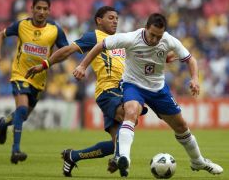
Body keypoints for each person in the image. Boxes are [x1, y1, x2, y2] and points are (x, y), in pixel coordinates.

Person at [72, 13, 224, 177]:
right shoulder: (130, 38)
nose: (154, 40)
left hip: (158, 89)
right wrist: (82, 66)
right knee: (130, 112)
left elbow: (190, 59)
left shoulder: (168, 40)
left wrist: (195, 79)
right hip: (133, 85)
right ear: (146, 28)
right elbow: (101, 45)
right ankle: (124, 158)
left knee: (181, 127)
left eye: (158, 36)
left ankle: (198, 161)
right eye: (152, 35)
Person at [25, 6, 147, 176]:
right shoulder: (94, 37)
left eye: (116, 18)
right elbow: (67, 50)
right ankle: (119, 159)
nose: (115, 21)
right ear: (99, 20)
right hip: (108, 91)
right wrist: (44, 65)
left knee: (116, 143)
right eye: (110, 18)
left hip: (122, 91)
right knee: (128, 115)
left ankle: (73, 156)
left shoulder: (120, 39)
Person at [0, 0, 69, 164]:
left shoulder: (55, 30)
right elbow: (0, 35)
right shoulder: (21, 25)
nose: (41, 12)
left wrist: (50, 62)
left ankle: (4, 122)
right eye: (38, 8)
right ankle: (15, 150)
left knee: (23, 115)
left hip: (39, 80)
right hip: (20, 74)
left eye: (45, 9)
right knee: (22, 110)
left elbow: (66, 51)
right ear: (32, 9)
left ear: (49, 11)